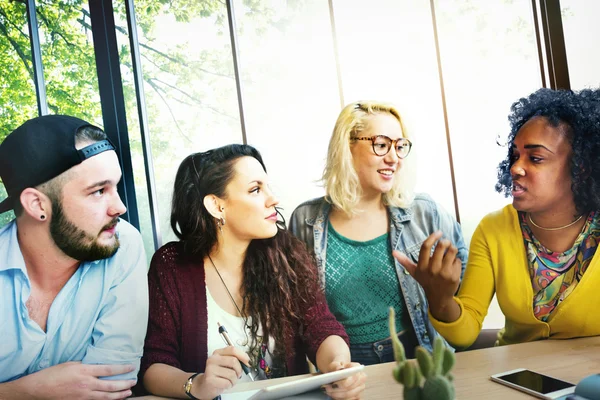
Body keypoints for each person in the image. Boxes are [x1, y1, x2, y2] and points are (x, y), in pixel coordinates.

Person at [138, 144, 366, 400]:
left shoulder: (287, 253)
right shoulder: (171, 266)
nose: (273, 199)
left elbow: (321, 328)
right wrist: (196, 384)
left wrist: (338, 367)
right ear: (216, 206)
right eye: (255, 189)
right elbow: (153, 363)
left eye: (267, 187)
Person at [395, 88, 600, 349]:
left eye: (535, 158)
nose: (515, 167)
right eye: (515, 156)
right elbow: (464, 333)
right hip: (523, 379)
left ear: (580, 167)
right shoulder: (494, 229)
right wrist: (441, 298)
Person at [289, 101, 468, 364]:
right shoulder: (305, 221)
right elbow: (301, 313)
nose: (394, 158)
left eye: (399, 146)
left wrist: (442, 294)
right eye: (382, 145)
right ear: (347, 148)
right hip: (346, 365)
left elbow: (466, 294)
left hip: (419, 357)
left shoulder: (425, 213)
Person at [0, 115, 149, 399]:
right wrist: (28, 391)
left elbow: (113, 382)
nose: (119, 207)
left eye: (115, 187)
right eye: (98, 191)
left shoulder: (123, 244)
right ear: (37, 204)